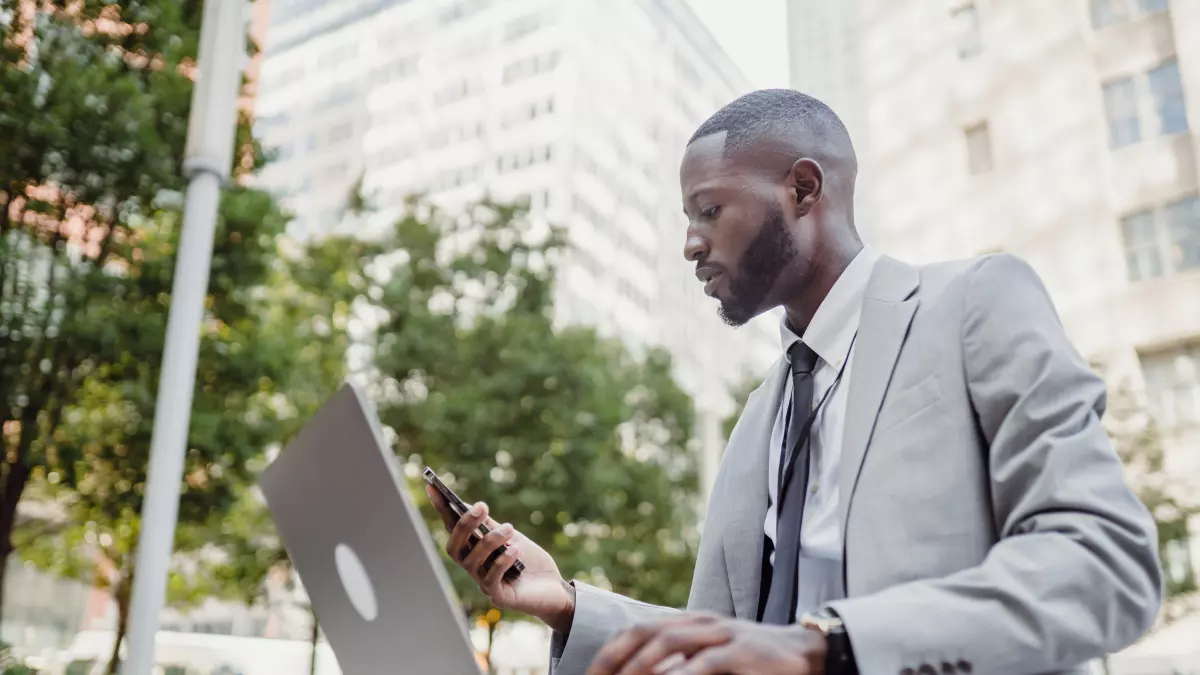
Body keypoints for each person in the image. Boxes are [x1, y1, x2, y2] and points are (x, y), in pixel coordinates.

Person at [426, 89, 1163, 675]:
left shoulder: (975, 304)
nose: (690, 244)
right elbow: (736, 642)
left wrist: (832, 647)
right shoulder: (759, 417)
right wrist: (567, 606)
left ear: (803, 189)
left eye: (709, 210)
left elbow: (1104, 563)